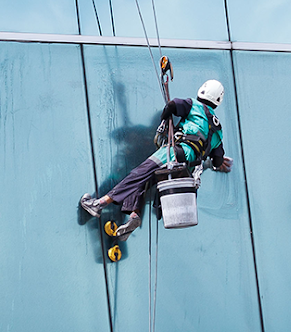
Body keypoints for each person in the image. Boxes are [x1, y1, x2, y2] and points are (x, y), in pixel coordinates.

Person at [80, 79, 233, 238]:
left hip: (173, 153)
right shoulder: (218, 130)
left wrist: (164, 121)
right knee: (143, 181)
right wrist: (212, 163)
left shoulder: (193, 105)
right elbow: (217, 160)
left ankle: (99, 204)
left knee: (137, 175)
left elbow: (172, 105)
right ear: (218, 100)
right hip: (185, 169)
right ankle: (134, 216)